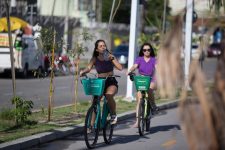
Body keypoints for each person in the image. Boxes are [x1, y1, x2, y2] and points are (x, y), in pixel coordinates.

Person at [80, 39, 123, 124]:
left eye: (104, 45)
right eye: (101, 46)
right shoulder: (94, 59)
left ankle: (113, 115)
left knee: (108, 95)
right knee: (95, 102)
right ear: (97, 49)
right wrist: (83, 71)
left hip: (111, 81)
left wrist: (113, 58)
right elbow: (88, 68)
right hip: (100, 82)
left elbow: (120, 68)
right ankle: (91, 125)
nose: (103, 47)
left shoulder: (110, 56)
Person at [127, 42, 158, 128]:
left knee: (149, 89)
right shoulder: (139, 59)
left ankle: (153, 104)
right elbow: (135, 66)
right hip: (142, 80)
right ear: (142, 51)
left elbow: (157, 67)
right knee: (139, 100)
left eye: (148, 50)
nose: (147, 51)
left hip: (152, 80)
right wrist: (130, 70)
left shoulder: (153, 59)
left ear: (151, 50)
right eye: (144, 50)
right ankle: (137, 122)